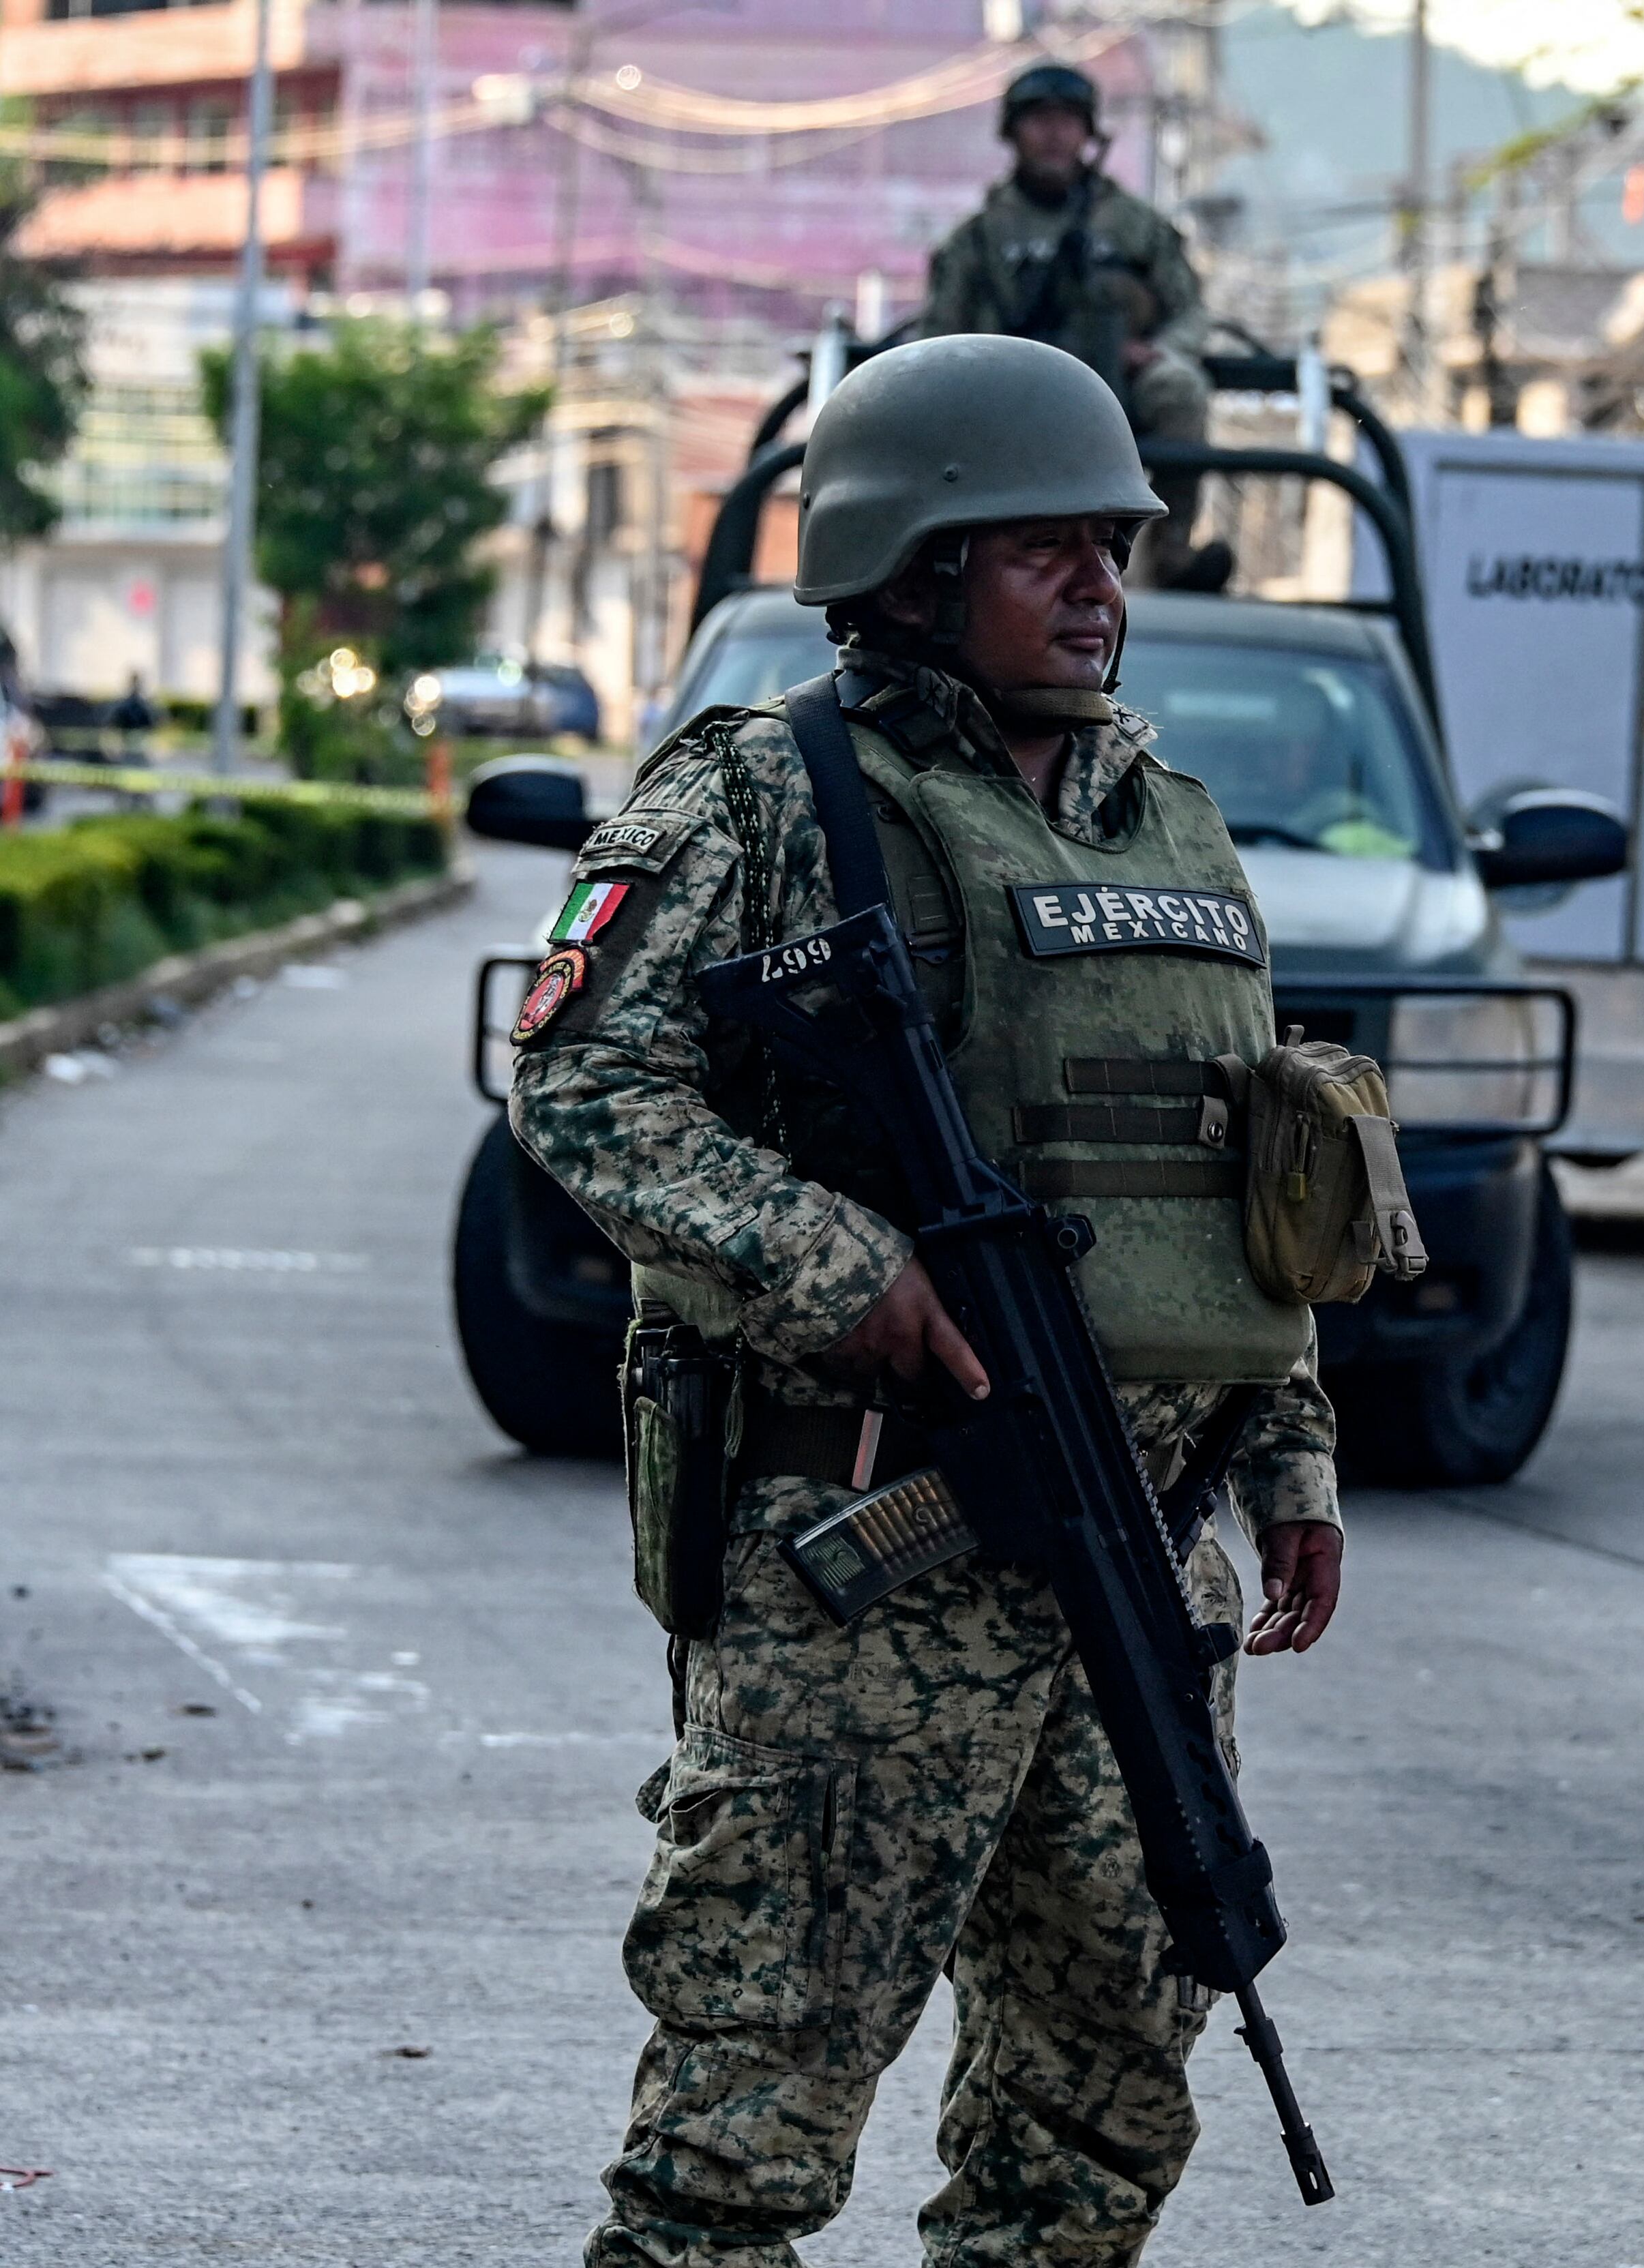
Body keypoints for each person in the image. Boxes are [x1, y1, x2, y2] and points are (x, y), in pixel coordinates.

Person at [508, 333, 1345, 2267]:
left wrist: (1293, 1446)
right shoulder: (770, 790)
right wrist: (839, 1261)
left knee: (1105, 2112)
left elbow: (1250, 1174)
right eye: (1040, 548)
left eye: (1110, 547)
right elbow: (582, 1075)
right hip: (867, 1574)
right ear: (907, 566)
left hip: (1145, 1560)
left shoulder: (1172, 819)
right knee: (746, 2123)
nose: (1099, 588)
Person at [923, 63, 1232, 593]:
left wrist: (1158, 351)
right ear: (1013, 131)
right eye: (1039, 120)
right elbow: (940, 336)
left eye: (1068, 120)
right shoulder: (980, 239)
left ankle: (1173, 555)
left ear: (1089, 133)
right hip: (1011, 390)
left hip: (1123, 379)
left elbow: (1192, 312)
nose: (1054, 134)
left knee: (1180, 389)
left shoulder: (1134, 225)